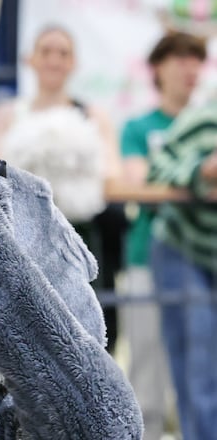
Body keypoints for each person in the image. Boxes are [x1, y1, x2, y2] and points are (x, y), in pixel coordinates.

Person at [0, 25, 124, 353]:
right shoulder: (8, 114)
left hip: (82, 235)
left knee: (90, 322)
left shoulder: (93, 115)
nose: (54, 60)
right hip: (25, 236)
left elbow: (111, 174)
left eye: (63, 53)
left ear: (73, 62)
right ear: (30, 59)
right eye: (46, 51)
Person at [119, 30, 205, 440]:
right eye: (180, 58)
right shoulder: (139, 126)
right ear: (158, 68)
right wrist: (197, 177)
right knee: (147, 374)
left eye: (196, 59)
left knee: (202, 373)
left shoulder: (207, 122)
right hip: (146, 258)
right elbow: (141, 186)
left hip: (205, 261)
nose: (190, 68)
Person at [147, 99, 217, 440]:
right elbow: (158, 165)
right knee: (199, 358)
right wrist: (201, 170)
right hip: (182, 248)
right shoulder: (205, 117)